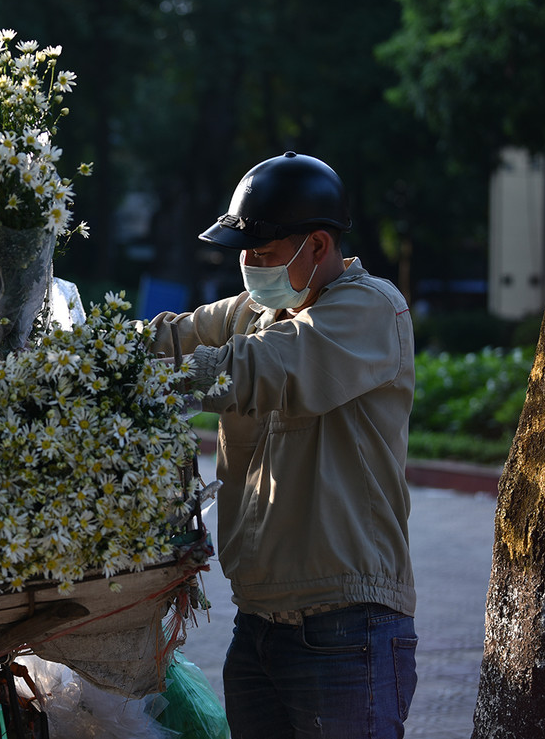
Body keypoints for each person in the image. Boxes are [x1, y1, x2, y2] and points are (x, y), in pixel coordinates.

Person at [150, 151, 417, 738]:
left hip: (347, 628)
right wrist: (73, 346)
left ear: (317, 247)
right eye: (244, 254)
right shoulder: (254, 310)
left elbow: (263, 368)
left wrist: (155, 379)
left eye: (263, 255)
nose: (247, 266)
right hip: (258, 626)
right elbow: (170, 338)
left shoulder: (370, 308)